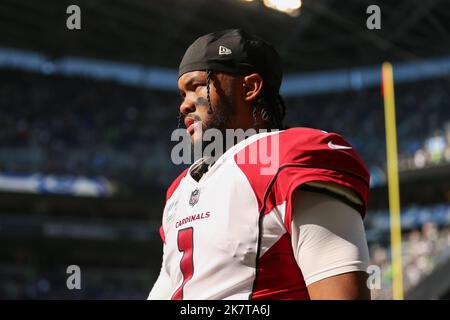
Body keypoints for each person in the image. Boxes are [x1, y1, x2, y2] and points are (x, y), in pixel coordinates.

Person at [148, 29, 371, 300]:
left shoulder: (291, 157)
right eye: (182, 94)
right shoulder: (178, 191)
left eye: (196, 87)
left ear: (250, 87)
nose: (184, 105)